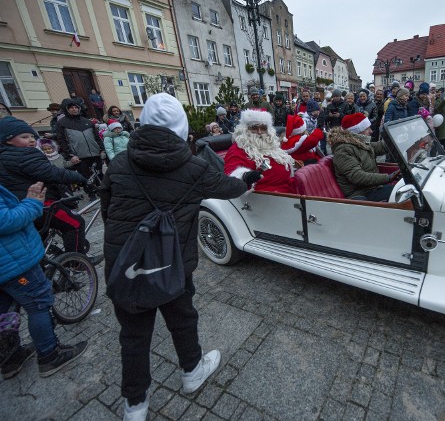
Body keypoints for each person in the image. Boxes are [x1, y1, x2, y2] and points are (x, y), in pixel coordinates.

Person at [99, 93, 258, 420]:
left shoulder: (118, 164)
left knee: (133, 337)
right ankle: (192, 372)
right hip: (172, 263)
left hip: (125, 265)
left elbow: (106, 214)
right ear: (180, 127)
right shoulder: (194, 168)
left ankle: (135, 407)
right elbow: (229, 188)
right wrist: (247, 179)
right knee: (182, 319)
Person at [0, 181, 88, 379]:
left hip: (6, 263)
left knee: (5, 309)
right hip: (13, 260)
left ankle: (10, 357)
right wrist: (32, 204)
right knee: (38, 303)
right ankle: (49, 354)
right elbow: (5, 220)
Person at [0, 116, 97, 262]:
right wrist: (81, 179)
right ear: (8, 140)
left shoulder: (5, 157)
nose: (31, 140)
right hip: (39, 202)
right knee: (75, 223)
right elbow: (52, 173)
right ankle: (77, 264)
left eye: (32, 136)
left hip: (19, 205)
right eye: (24, 137)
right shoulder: (22, 155)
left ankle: (46, 264)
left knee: (40, 236)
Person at [328, 113, 399, 201]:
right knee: (401, 193)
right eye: (367, 129)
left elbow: (381, 146)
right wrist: (388, 177)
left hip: (372, 188)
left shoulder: (360, 143)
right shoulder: (343, 150)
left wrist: (398, 139)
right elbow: (357, 176)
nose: (371, 131)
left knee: (404, 189)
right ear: (357, 132)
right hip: (361, 194)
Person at [224, 109, 295, 193]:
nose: (259, 132)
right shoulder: (239, 148)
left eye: (263, 128)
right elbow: (231, 174)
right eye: (254, 128)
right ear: (245, 129)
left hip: (287, 191)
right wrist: (245, 176)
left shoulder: (270, 144)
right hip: (264, 198)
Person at [56, 98, 105, 197]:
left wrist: (102, 149)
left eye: (76, 107)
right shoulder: (62, 123)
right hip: (79, 156)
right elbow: (62, 141)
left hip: (94, 153)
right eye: (71, 108)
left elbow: (97, 137)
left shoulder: (87, 122)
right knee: (85, 177)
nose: (74, 109)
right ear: (67, 109)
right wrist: (71, 155)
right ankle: (91, 194)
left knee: (99, 174)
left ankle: (103, 192)